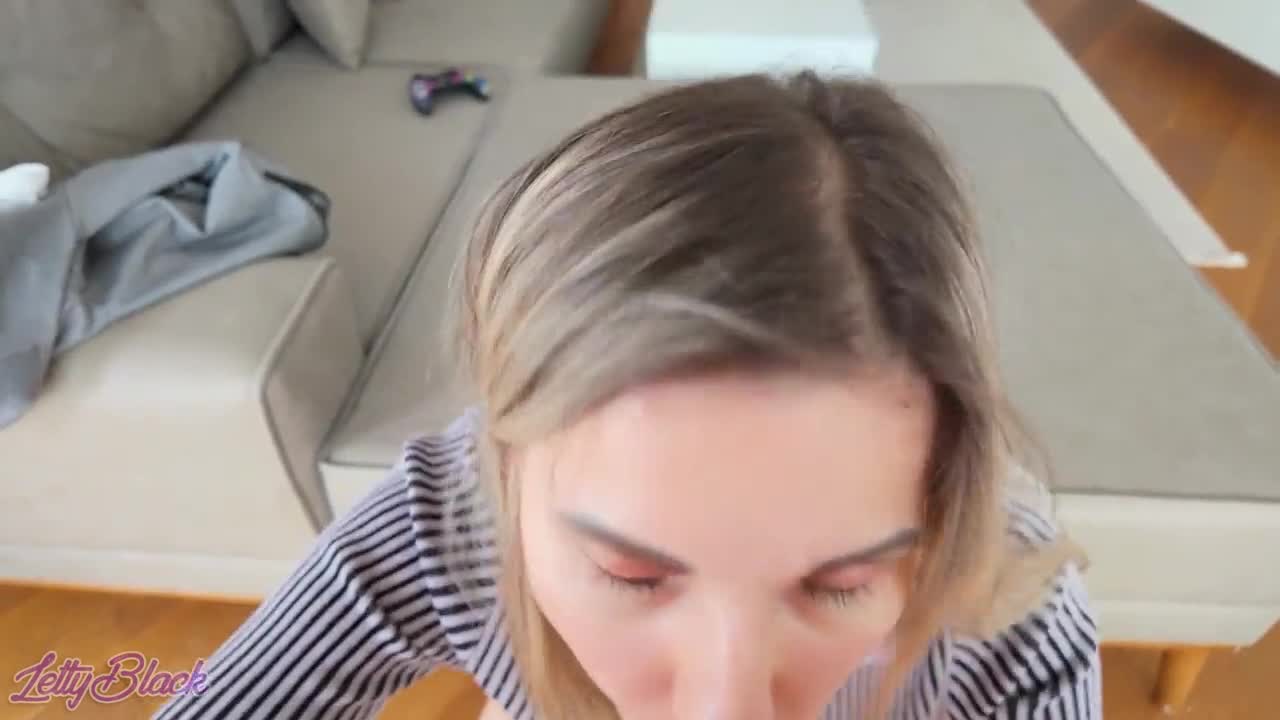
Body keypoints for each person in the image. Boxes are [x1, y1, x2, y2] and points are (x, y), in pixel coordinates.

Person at [155, 72, 1100, 720]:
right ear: (506, 466)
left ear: (943, 496)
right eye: (631, 576)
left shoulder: (1012, 616)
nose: (721, 707)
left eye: (840, 587)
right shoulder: (448, 527)